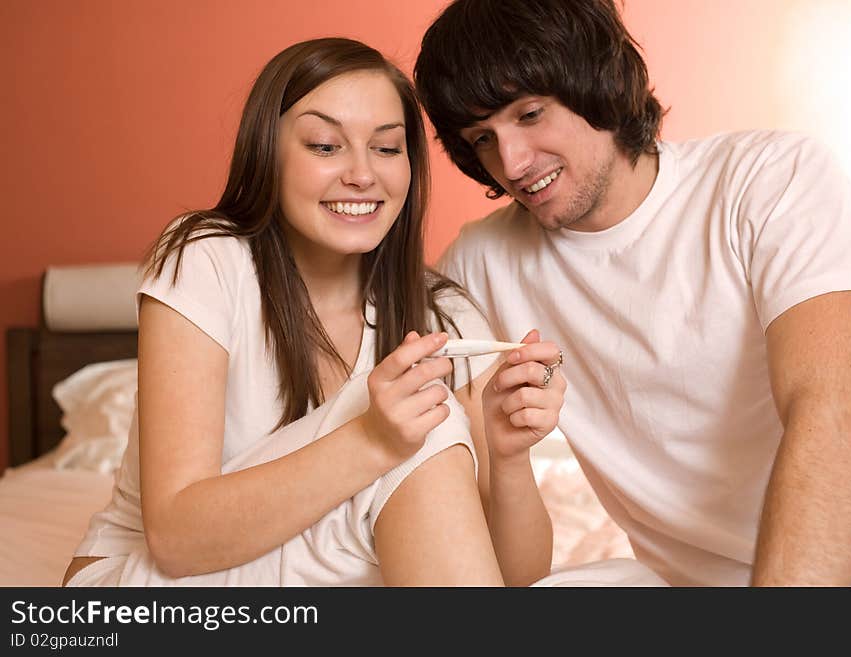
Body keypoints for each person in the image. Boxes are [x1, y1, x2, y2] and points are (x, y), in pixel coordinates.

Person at [60, 37, 563, 587]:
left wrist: (510, 460)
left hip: (307, 578)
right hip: (143, 588)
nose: (362, 175)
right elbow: (177, 542)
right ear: (267, 155)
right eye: (325, 146)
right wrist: (375, 440)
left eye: (387, 148)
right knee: (426, 422)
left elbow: (514, 580)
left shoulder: (444, 314)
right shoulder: (206, 260)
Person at [414, 0, 851, 586]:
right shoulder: (482, 263)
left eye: (530, 114)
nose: (511, 162)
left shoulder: (771, 179)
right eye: (482, 138)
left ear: (597, 81)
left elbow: (832, 414)